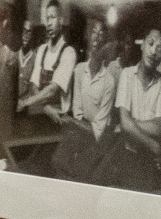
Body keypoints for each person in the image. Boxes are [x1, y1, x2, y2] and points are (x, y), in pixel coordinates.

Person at [52, 19, 119, 183]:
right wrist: (73, 123)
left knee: (82, 174)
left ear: (105, 45)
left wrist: (69, 121)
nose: (97, 37)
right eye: (94, 32)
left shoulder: (109, 79)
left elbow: (99, 131)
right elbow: (78, 112)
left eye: (101, 33)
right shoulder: (79, 69)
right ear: (88, 38)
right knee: (57, 162)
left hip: (99, 139)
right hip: (81, 131)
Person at [98, 22, 161, 193]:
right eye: (151, 43)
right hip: (129, 155)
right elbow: (126, 123)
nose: (154, 51)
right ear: (142, 46)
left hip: (150, 162)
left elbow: (159, 125)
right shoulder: (127, 75)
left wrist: (127, 125)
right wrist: (155, 146)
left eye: (160, 48)